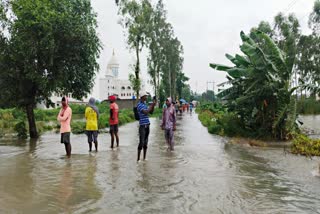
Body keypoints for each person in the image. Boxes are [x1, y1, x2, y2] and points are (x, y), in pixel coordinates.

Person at [136, 91, 156, 162]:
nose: (146, 97)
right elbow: (146, 112)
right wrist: (151, 105)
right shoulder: (139, 105)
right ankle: (138, 159)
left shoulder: (145, 104)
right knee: (141, 142)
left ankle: (144, 158)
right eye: (145, 96)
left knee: (146, 142)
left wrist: (153, 106)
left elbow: (151, 112)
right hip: (142, 126)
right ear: (142, 97)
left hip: (147, 125)